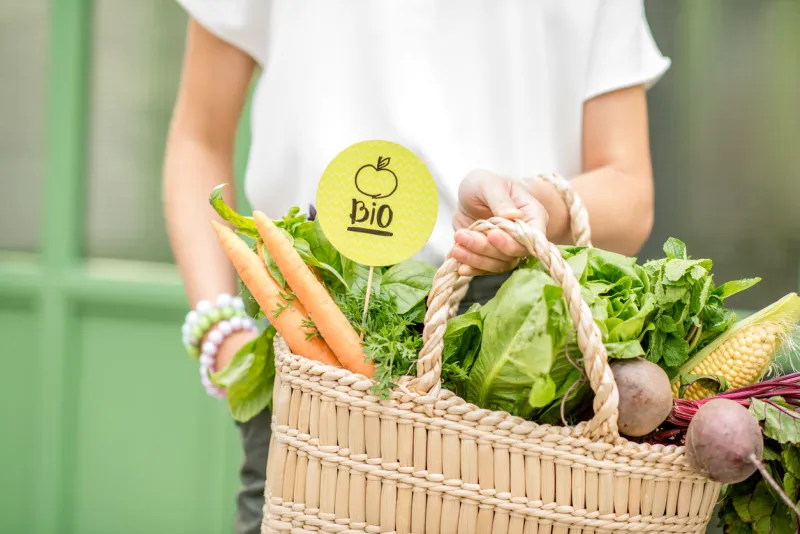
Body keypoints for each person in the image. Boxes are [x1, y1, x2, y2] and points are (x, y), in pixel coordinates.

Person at [163, 1, 669, 532]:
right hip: (314, 323)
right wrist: (219, 329)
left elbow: (629, 191)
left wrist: (532, 205)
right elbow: (200, 138)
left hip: (513, 340)